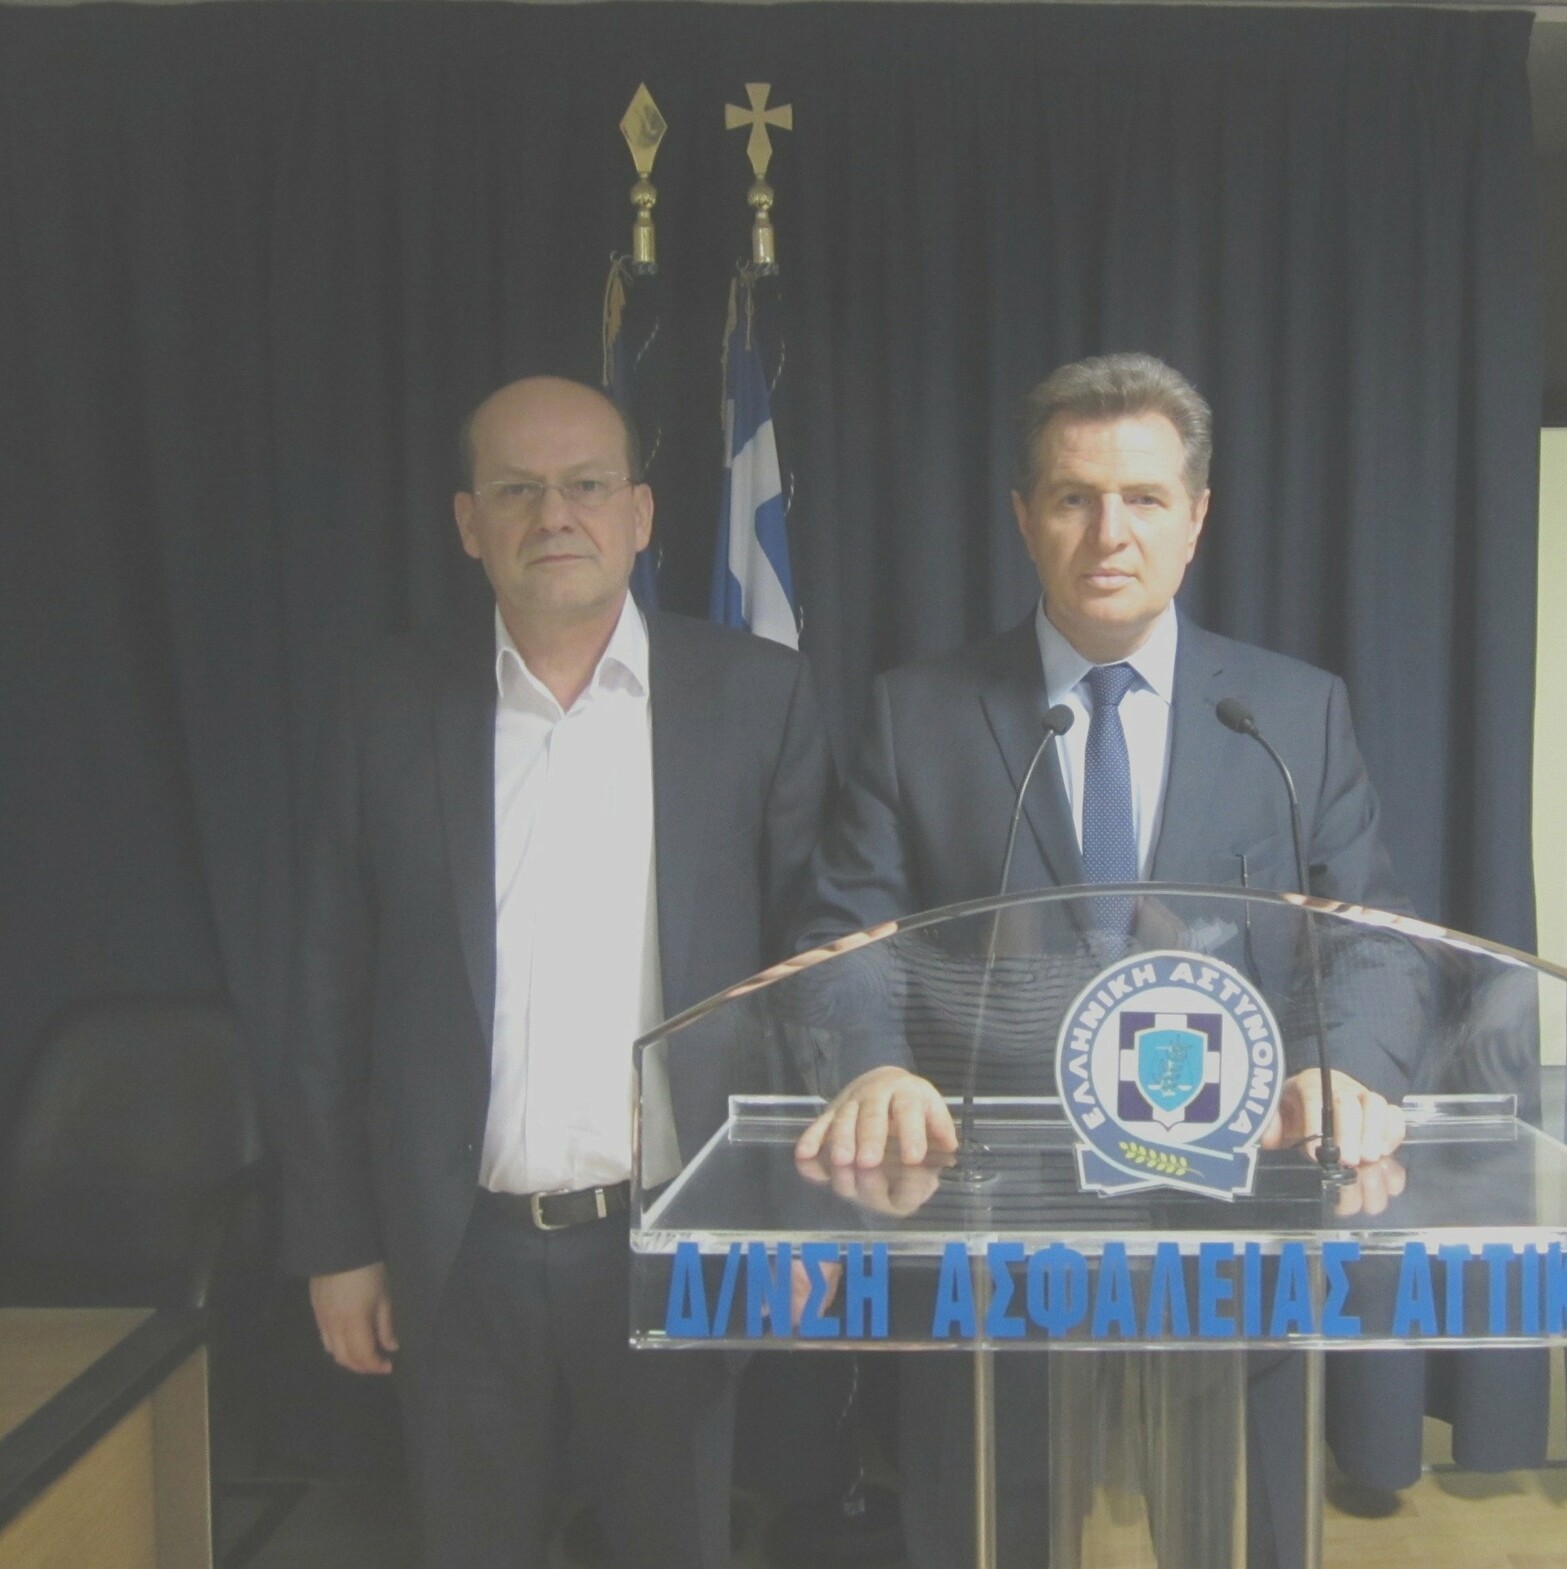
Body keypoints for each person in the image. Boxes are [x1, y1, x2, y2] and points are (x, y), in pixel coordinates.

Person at [792, 352, 1411, 1568]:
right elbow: (844, 936)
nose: (1109, 532)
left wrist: (1354, 1070)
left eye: (1143, 498)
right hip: (992, 1231)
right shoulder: (919, 714)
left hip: (1235, 1222)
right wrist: (870, 1066)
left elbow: (1370, 943)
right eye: (1075, 497)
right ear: (1025, 518)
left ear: (1197, 519)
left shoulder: (1291, 713)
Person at [280, 375, 832, 1569]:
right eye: (517, 490)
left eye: (585, 484)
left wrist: (791, 1213)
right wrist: (338, 1240)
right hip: (455, 1252)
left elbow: (811, 979)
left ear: (640, 513)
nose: (554, 515)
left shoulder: (754, 698)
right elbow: (329, 990)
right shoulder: (386, 706)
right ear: (467, 523)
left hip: (681, 1239)